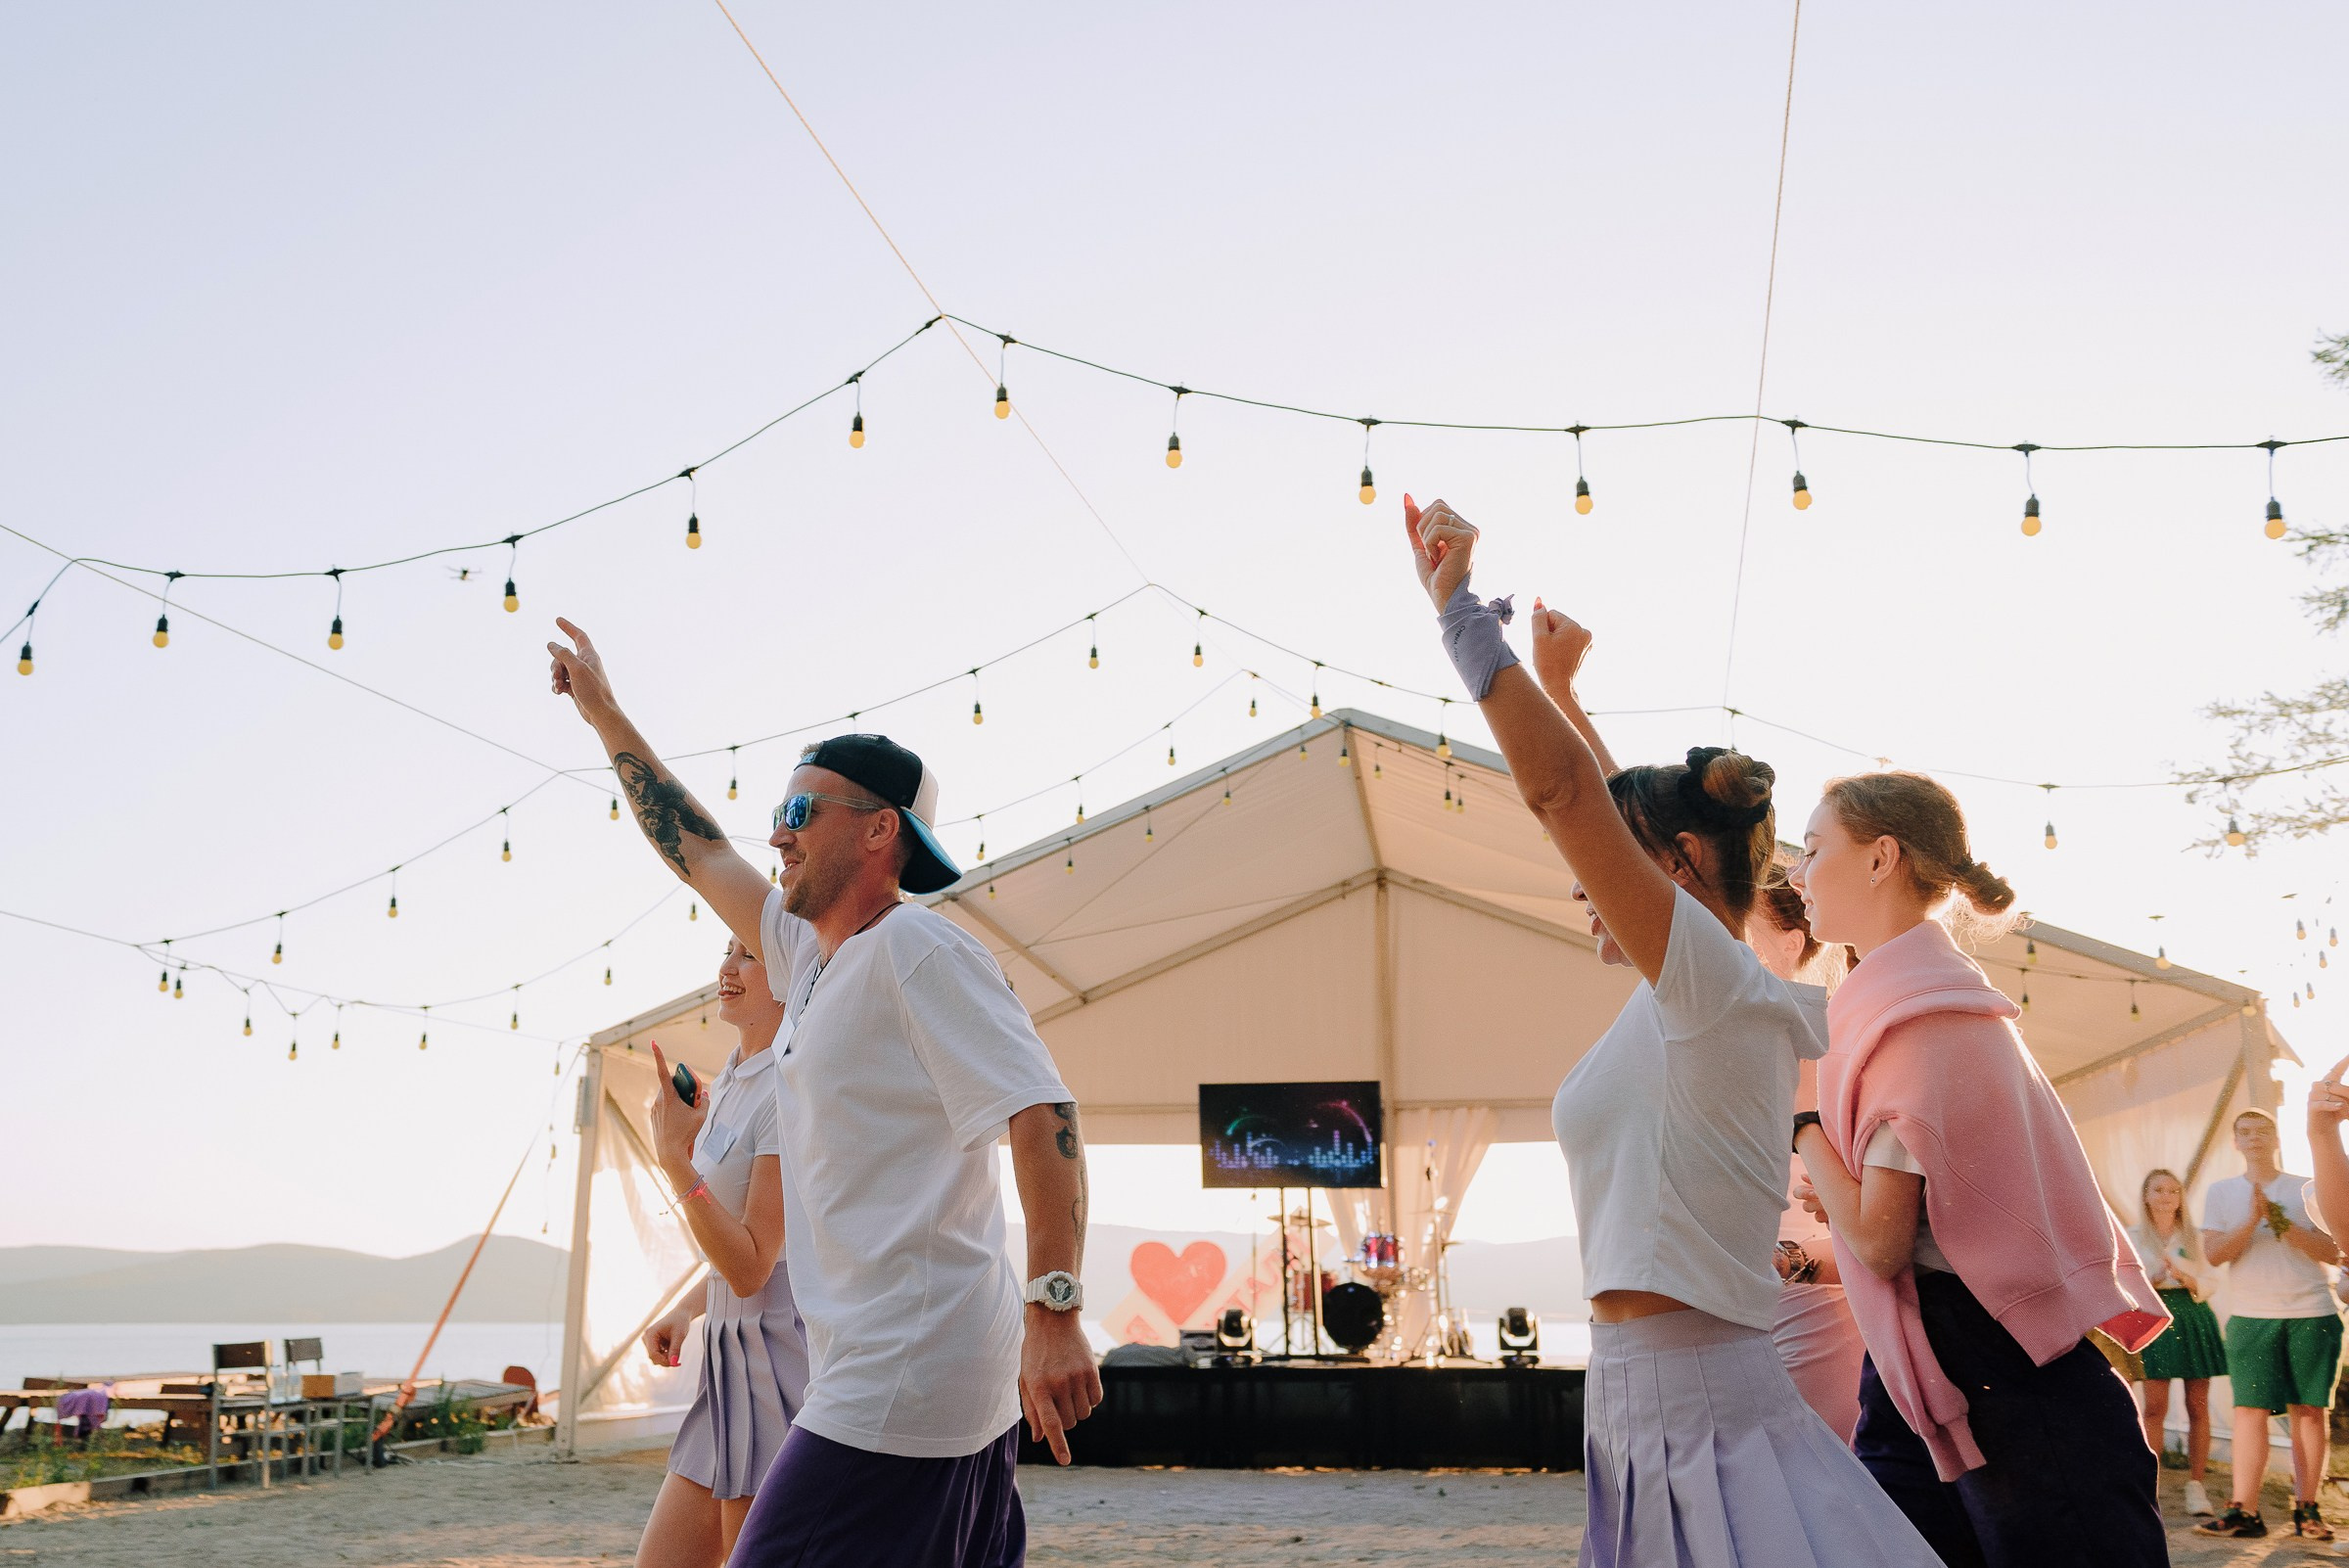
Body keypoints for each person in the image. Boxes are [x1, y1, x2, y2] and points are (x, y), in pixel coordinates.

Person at [1410, 498, 1938, 1567]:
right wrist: (1564, 693)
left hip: (1701, 1406)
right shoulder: (1692, 996)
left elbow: (1566, 798)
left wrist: (1459, 609)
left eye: (1606, 873)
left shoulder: (1713, 988)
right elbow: (1606, 813)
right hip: (1640, 1405)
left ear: (1682, 865)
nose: (1581, 893)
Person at [547, 619, 1099, 1568]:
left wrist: (1056, 1310)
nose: (777, 832)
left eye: (802, 813)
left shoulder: (917, 949)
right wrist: (604, 715)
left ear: (881, 830)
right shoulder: (810, 956)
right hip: (904, 1375)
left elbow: (1042, 1112)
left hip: (902, 1376)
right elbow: (699, 848)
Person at [1785, 770, 2170, 1568]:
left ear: (1881, 856)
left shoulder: (1918, 1023)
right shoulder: (1925, 1005)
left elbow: (1887, 1245)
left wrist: (1805, 1133)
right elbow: (1943, 1236)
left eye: (1814, 849)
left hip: (2002, 1385)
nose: (1795, 872)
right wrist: (1820, 1247)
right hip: (1941, 1369)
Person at [1524, 602, 1865, 1445]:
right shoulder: (1712, 966)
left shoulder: (1768, 991)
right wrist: (1566, 697)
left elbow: (1626, 850)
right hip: (1716, 1280)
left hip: (1796, 1283)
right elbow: (1631, 845)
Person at [631, 937, 807, 1568]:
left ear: (791, 976)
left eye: (748, 956)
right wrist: (688, 1307)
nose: (725, 969)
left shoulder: (788, 1087)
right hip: (727, 1355)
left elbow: (755, 1264)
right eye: (725, 951)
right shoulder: (734, 1074)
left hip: (777, 1360)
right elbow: (732, 1245)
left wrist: (675, 1164)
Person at [1749, 878, 1865, 1444]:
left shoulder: (1825, 1042)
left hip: (1814, 1291)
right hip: (1736, 1297)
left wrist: (1789, 1260)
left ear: (1792, 944)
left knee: (1820, 1457)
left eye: (1747, 930)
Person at [2194, 1107, 2341, 1541]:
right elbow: (2216, 1254)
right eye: (2245, 1132)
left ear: (2276, 1139)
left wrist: (2279, 1220)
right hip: (2251, 1316)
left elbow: (2335, 1252)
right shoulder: (2221, 1192)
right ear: (2235, 1143)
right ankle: (2245, 1511)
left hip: (2311, 1311)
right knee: (2248, 1412)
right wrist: (2253, 1219)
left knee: (2310, 1412)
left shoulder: (2306, 1189)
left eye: (2262, 1131)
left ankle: (2308, 1510)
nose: (2253, 1138)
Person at [2126, 1168, 2223, 1519]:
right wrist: (2150, 1281)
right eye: (2158, 1190)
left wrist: (2184, 1275)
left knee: (2198, 1405)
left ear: (2181, 1198)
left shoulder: (2195, 1236)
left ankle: (2196, 1486)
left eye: (2172, 1190)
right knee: (2154, 1407)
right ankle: (2153, 1487)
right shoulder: (2133, 1236)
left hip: (2192, 1313)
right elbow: (2124, 1282)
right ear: (2146, 1196)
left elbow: (2213, 1282)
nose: (2166, 1196)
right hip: (2155, 1316)